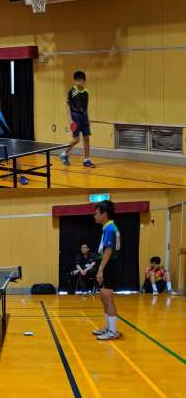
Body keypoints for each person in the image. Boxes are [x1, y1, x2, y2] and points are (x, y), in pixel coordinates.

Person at [93, 200, 121, 340]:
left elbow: (108, 250)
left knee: (108, 298)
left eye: (96, 213)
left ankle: (113, 331)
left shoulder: (110, 228)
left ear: (104, 214)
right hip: (106, 265)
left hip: (108, 266)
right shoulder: (108, 228)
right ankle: (108, 327)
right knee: (104, 298)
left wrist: (100, 270)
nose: (94, 216)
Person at [60, 71, 95, 168]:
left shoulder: (86, 92)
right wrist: (70, 120)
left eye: (80, 80)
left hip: (84, 117)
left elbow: (86, 106)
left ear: (84, 81)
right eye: (77, 80)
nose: (79, 82)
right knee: (76, 139)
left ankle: (86, 160)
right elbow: (67, 105)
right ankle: (64, 153)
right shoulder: (72, 91)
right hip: (75, 116)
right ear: (75, 81)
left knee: (86, 138)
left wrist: (87, 118)